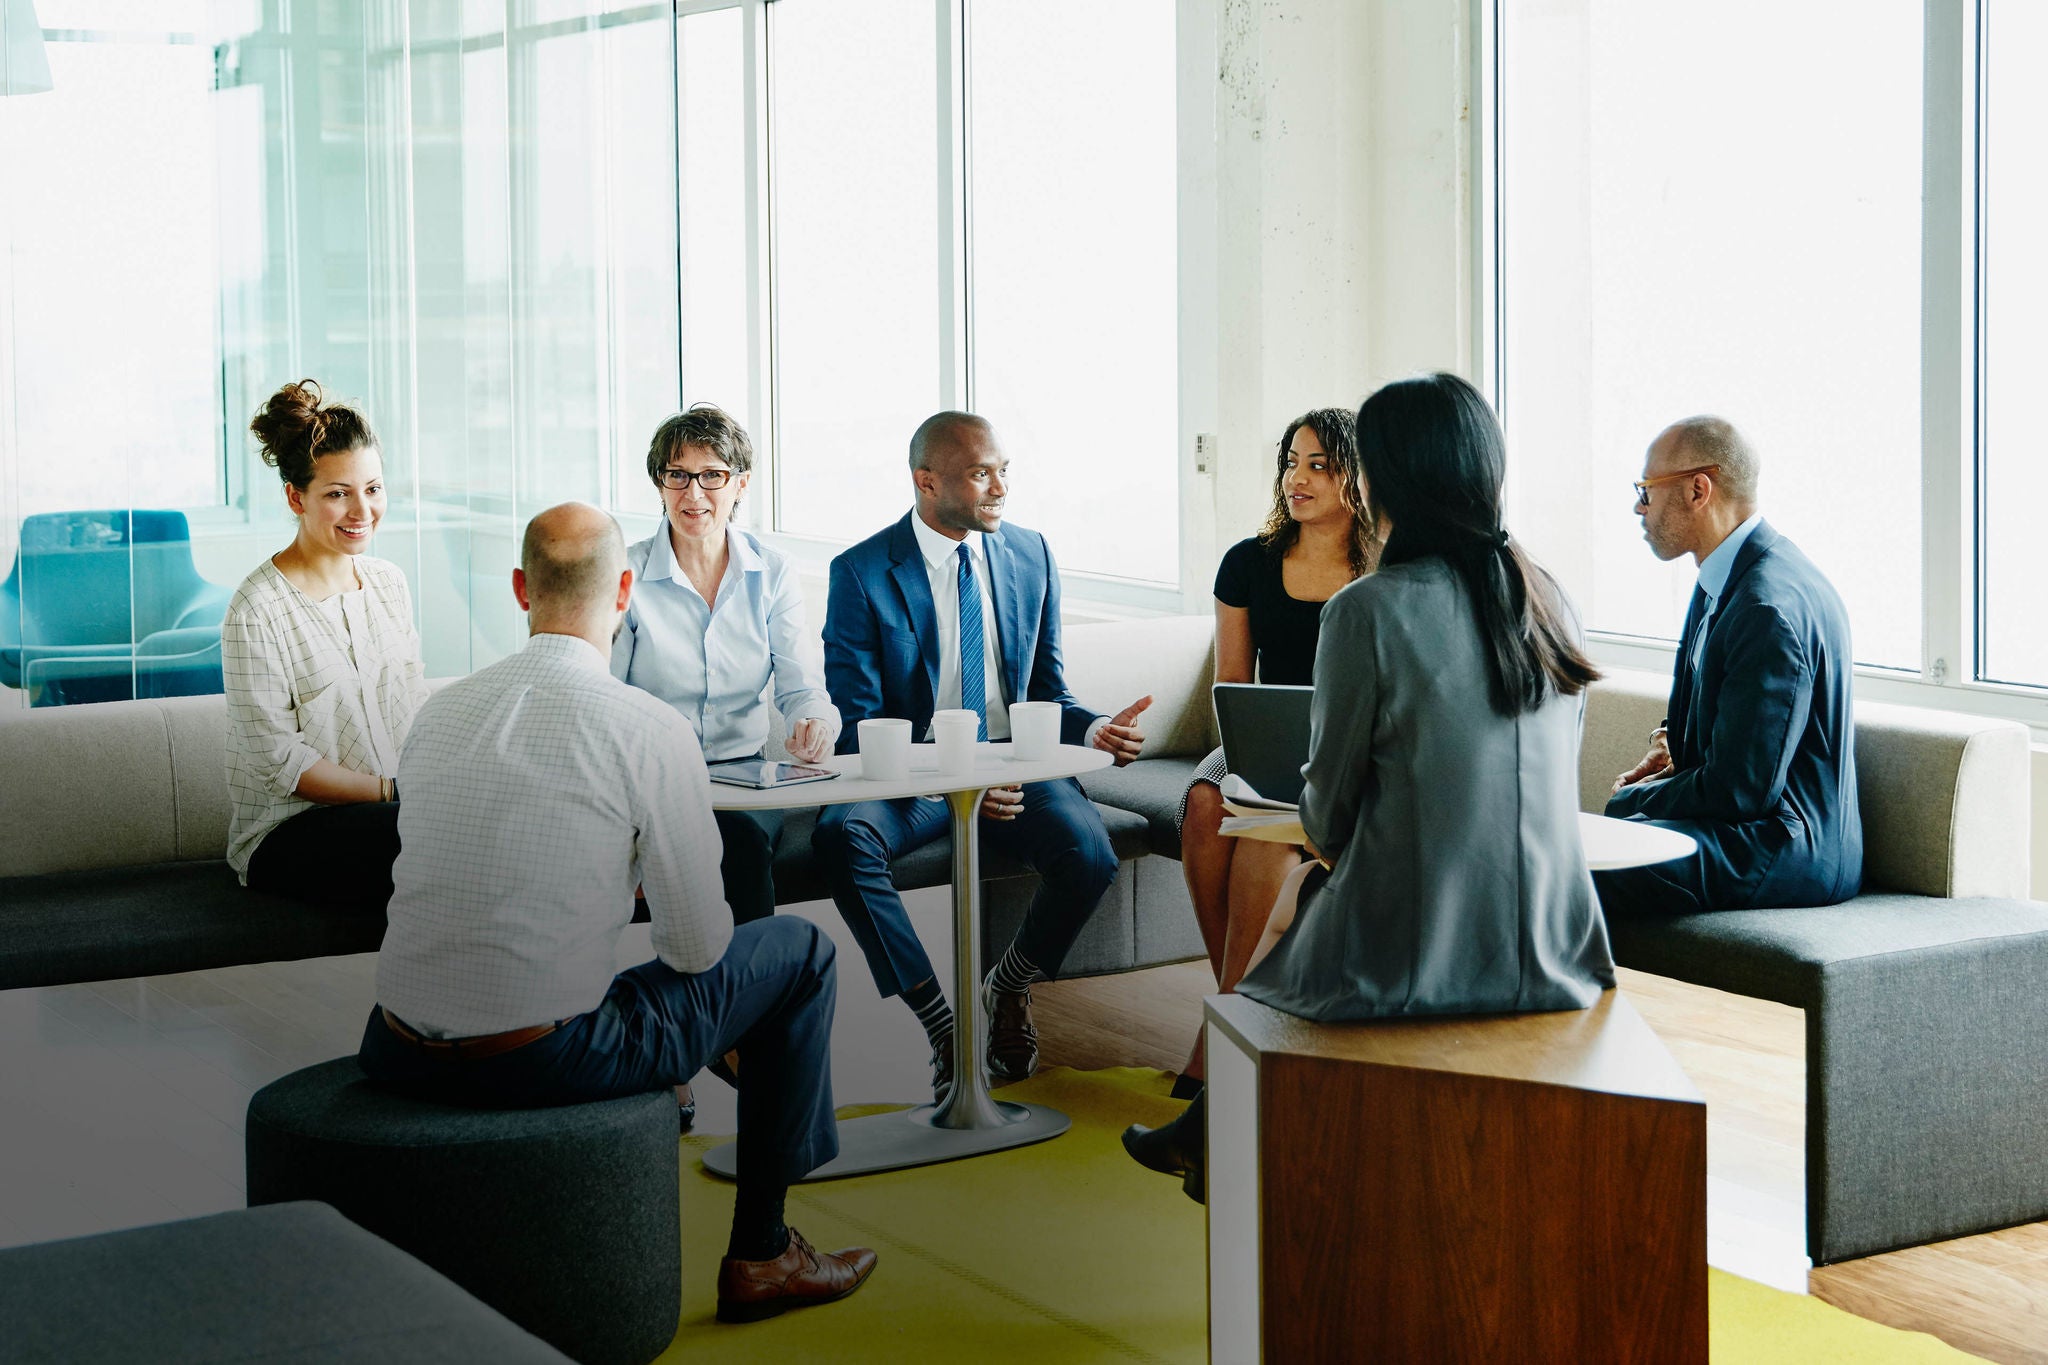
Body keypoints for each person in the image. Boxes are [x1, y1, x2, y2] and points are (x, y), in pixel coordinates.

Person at [359, 502, 875, 1324]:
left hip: (392, 1046)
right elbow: (697, 947)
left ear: (521, 590)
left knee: (625, 976)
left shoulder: (438, 713)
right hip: (539, 1058)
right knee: (798, 952)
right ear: (626, 589)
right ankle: (766, 1252)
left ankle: (714, 1094)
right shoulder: (645, 726)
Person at [1123, 373, 1615, 1201]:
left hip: (1421, 952)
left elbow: (1327, 814)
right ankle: (1206, 1133)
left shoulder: (1369, 609)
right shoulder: (1549, 597)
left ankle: (1225, 1149)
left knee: (1272, 970)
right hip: (1563, 942)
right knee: (1298, 917)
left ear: (1380, 480)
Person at [813, 411, 1152, 1103]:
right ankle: (943, 1024)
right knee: (843, 837)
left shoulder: (1031, 553)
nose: (1000, 488)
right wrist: (955, 774)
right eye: (979, 473)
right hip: (916, 768)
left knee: (1088, 854)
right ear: (926, 481)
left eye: (1004, 470)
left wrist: (1092, 733)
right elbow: (859, 722)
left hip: (1009, 764)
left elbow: (1047, 691)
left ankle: (1009, 985)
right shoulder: (860, 572)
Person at [1172, 407, 1379, 1096]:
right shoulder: (1248, 562)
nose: (1298, 478)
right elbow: (1232, 685)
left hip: (1348, 748)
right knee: (1204, 802)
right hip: (1261, 738)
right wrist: (1249, 755)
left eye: (1318, 464)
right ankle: (1239, 1001)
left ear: (1353, 474)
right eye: (1292, 461)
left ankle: (1224, 1026)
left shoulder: (1384, 566)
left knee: (1262, 837)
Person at [1597, 417, 1861, 915]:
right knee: (1587, 846)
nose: (1638, 506)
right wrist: (1670, 741)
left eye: (1647, 490)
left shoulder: (1766, 606)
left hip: (1783, 846)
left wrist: (1634, 801)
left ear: (1699, 490)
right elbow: (1732, 705)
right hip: (1751, 829)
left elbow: (1740, 792)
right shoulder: (1728, 575)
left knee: (1591, 856)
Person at [612, 404, 838, 926]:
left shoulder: (773, 571)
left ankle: (744, 994)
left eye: (712, 475)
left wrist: (816, 724)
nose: (693, 494)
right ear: (660, 483)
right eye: (678, 475)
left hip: (745, 781)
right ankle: (733, 995)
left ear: (740, 484)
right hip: (653, 786)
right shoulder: (624, 571)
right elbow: (606, 702)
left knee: (737, 840)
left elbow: (802, 686)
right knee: (711, 849)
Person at [223, 379, 428, 912]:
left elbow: (413, 710)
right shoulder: (257, 610)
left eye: (373, 488)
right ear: (296, 496)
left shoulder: (389, 584)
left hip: (393, 812)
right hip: (291, 833)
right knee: (433, 846)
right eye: (338, 493)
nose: (363, 510)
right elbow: (282, 766)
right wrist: (394, 791)